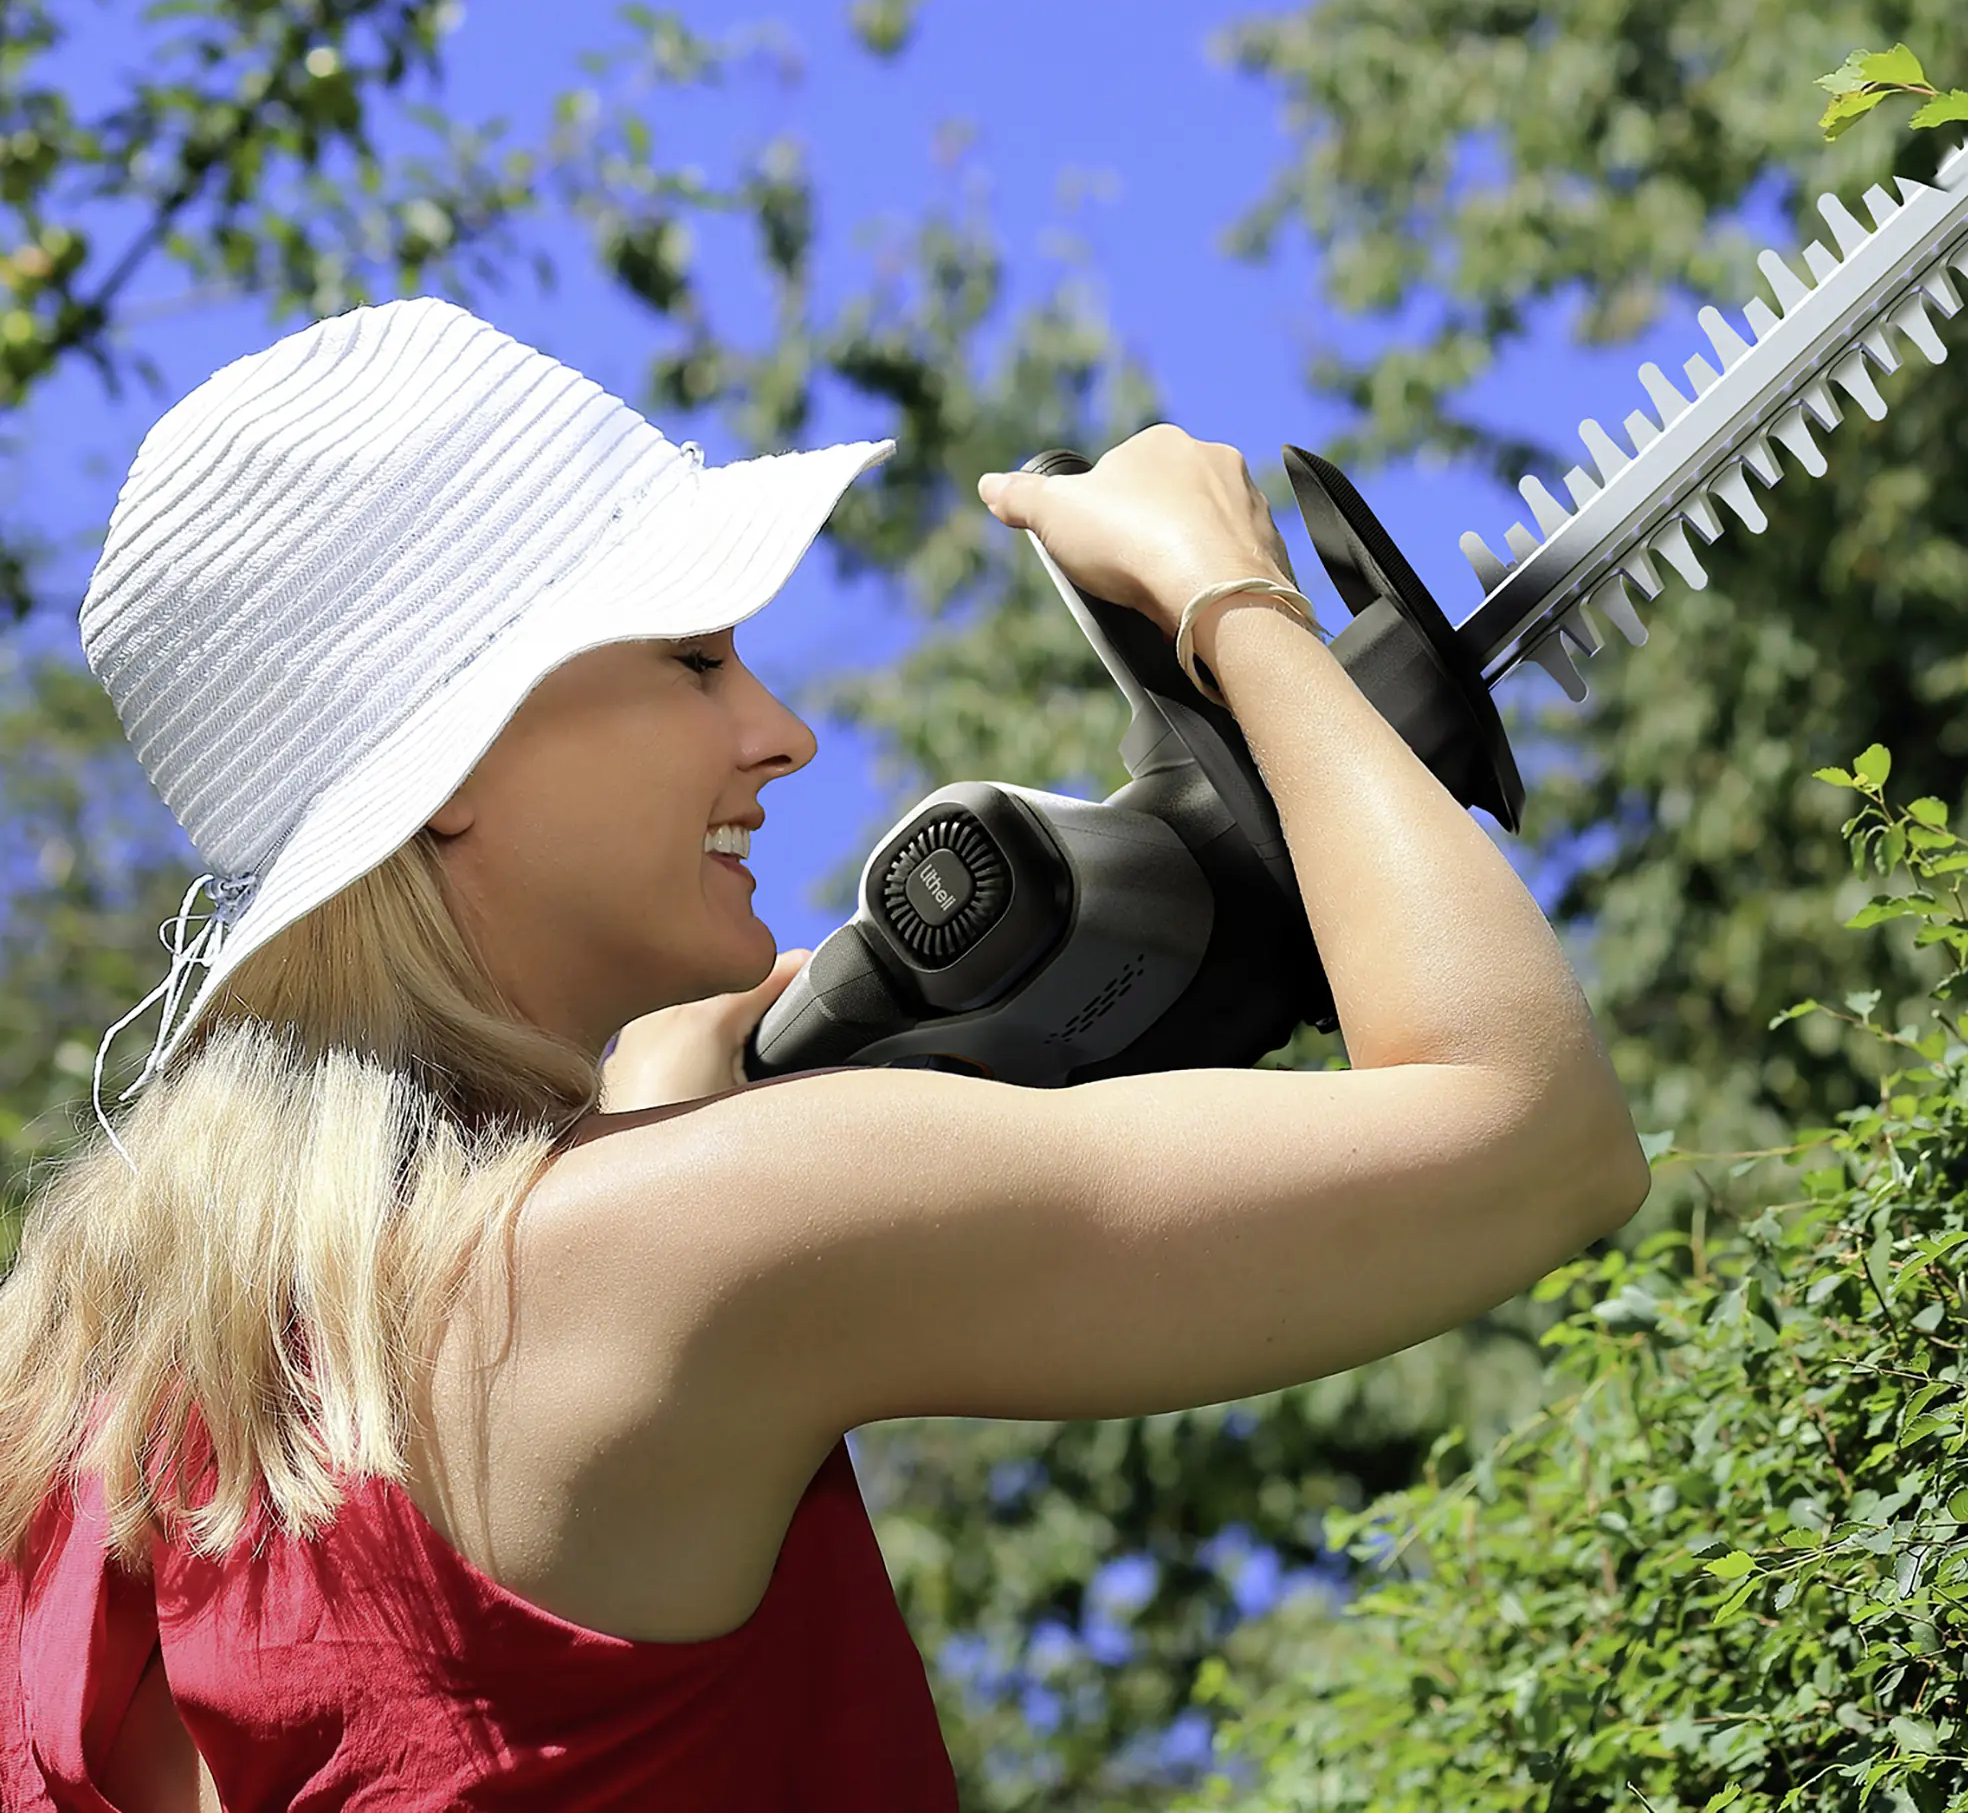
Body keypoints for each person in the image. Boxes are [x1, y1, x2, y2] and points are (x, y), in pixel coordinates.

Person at [0, 299, 1649, 1810]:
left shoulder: (94, 1426)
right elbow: (1528, 1138)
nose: (779, 729)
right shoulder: (654, 1249)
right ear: (454, 767)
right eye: (695, 657)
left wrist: (666, 1113)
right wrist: (1234, 604)